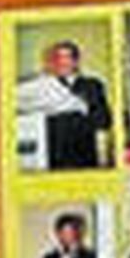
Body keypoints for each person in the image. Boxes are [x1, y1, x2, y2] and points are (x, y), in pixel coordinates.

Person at [16, 40, 113, 170]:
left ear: (75, 61)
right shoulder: (38, 86)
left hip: (84, 157)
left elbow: (104, 121)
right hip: (51, 157)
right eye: (56, 58)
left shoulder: (92, 85)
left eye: (66, 57)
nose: (61, 62)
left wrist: (76, 109)